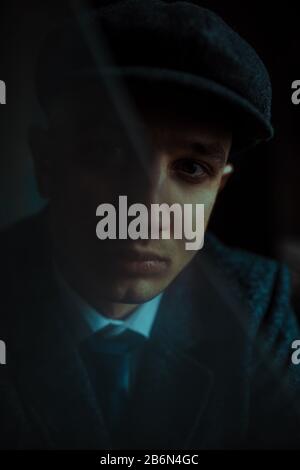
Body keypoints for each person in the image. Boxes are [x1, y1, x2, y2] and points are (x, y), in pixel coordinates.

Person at [0, 0, 299, 449]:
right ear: (47, 163)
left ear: (219, 188)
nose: (145, 211)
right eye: (108, 152)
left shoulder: (254, 302)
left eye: (192, 168)